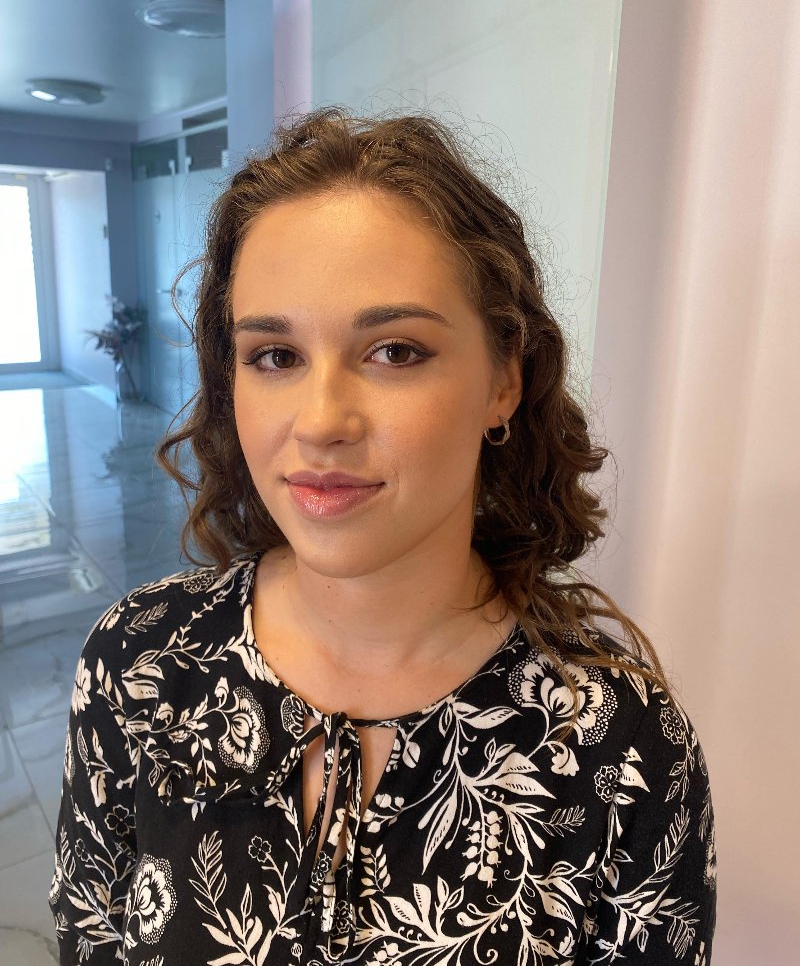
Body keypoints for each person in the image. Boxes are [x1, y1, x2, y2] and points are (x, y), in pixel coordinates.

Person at [49, 108, 716, 965]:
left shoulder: (624, 752)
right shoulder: (138, 663)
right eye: (275, 356)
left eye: (395, 351)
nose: (321, 421)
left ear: (504, 378)